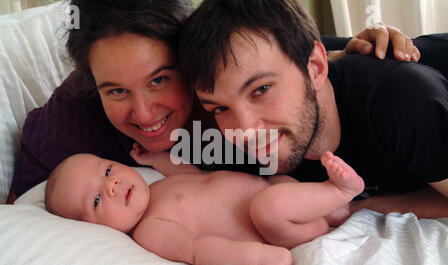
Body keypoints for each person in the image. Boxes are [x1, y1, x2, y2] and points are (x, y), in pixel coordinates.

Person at [8, 0, 422, 205]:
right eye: (115, 90)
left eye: (160, 80)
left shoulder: (225, 89)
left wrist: (361, 49)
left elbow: (286, 57)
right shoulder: (65, 128)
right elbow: (21, 221)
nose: (145, 113)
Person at [178, 0, 448, 218]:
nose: (246, 132)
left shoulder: (401, 103)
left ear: (316, 68)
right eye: (220, 108)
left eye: (261, 90)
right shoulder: (223, 137)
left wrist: (366, 207)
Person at [45, 148, 364, 265]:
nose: (113, 185)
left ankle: (331, 210)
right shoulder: (150, 230)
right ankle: (341, 192)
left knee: (279, 184)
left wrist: (156, 159)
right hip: (274, 228)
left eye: (108, 170)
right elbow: (200, 249)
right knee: (270, 205)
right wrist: (258, 257)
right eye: (98, 200)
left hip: (276, 192)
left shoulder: (156, 188)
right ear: (92, 229)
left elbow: (193, 175)